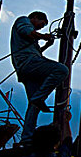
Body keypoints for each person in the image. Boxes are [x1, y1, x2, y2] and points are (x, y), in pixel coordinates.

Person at [10, 11, 68, 146]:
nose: (39, 28)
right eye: (40, 25)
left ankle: (27, 138)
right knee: (61, 70)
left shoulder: (31, 39)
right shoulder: (23, 20)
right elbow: (28, 32)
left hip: (26, 69)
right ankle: (39, 98)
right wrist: (43, 36)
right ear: (35, 18)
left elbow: (36, 50)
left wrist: (47, 44)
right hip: (28, 64)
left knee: (33, 106)